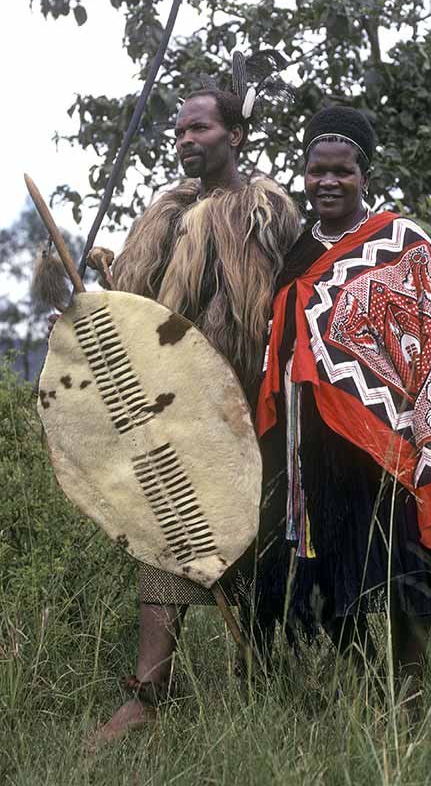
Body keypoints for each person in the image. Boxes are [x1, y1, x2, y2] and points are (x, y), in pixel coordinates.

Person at [256, 106, 431, 697]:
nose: (327, 182)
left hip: (387, 441)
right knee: (328, 578)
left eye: (341, 171)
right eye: (316, 170)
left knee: (404, 574)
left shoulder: (403, 243)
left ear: (364, 175)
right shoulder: (293, 253)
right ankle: (370, 688)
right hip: (311, 444)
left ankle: (411, 698)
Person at [87, 79, 301, 743]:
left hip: (253, 409)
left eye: (199, 128)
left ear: (234, 136)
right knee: (167, 537)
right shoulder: (166, 212)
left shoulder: (266, 211)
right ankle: (147, 697)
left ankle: (265, 683)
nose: (185, 139)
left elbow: (293, 298)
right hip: (174, 408)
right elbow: (136, 306)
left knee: (260, 548)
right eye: (179, 130)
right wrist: (96, 288)